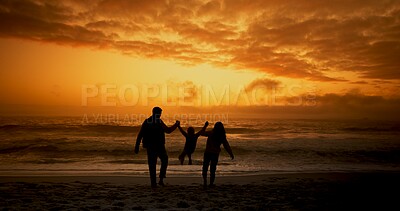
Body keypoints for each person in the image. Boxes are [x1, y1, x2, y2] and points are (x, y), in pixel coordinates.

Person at [135, 107, 179, 188]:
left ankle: (155, 182)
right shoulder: (157, 121)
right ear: (156, 113)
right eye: (159, 113)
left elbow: (140, 134)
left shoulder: (148, 121)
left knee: (153, 163)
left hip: (152, 145)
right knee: (163, 160)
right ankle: (159, 180)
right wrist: (176, 125)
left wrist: (137, 146)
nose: (160, 115)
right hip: (157, 145)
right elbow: (168, 130)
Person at [201, 122, 234, 189]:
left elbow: (202, 133)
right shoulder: (222, 136)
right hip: (215, 154)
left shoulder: (211, 133)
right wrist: (230, 153)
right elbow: (226, 146)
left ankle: (205, 181)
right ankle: (211, 183)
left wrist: (205, 126)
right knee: (213, 169)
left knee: (205, 167)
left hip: (208, 152)